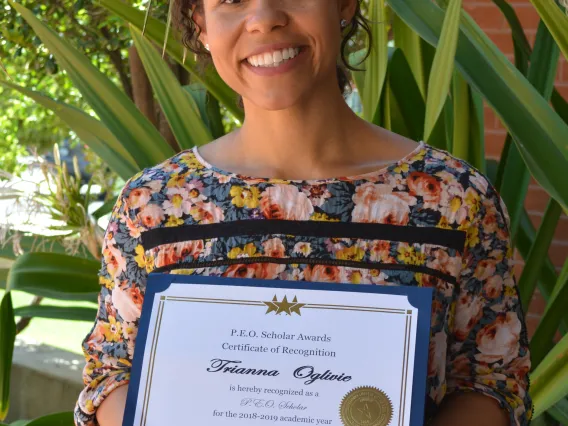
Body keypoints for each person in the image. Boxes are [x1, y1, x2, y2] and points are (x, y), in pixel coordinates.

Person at [73, 0, 532, 425]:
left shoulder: (451, 200)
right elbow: (111, 374)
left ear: (345, 4)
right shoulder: (153, 207)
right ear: (200, 23)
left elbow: (493, 379)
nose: (265, 17)